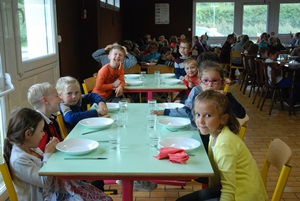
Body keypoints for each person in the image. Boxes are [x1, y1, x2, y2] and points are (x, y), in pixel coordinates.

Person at [3, 107, 112, 201]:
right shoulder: (19, 159)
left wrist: (53, 151)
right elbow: (45, 182)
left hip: (53, 192)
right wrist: (48, 153)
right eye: (41, 130)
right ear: (28, 134)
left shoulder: (31, 148)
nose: (43, 134)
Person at [176, 90, 268, 201]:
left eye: (208, 115)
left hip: (242, 196)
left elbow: (229, 189)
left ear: (223, 119)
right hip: (228, 190)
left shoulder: (224, 143)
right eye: (197, 114)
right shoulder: (215, 134)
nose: (201, 121)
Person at [152, 61, 246, 153]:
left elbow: (241, 114)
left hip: (220, 138)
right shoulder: (197, 91)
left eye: (215, 81)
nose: (210, 84)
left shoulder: (226, 96)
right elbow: (188, 111)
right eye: (205, 81)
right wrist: (167, 111)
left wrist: (226, 96)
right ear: (200, 82)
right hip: (200, 131)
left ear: (222, 83)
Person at [27, 82, 106, 191]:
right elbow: (44, 158)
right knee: (95, 174)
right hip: (55, 174)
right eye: (56, 95)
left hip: (61, 163)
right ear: (45, 100)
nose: (60, 98)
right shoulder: (39, 127)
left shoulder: (50, 119)